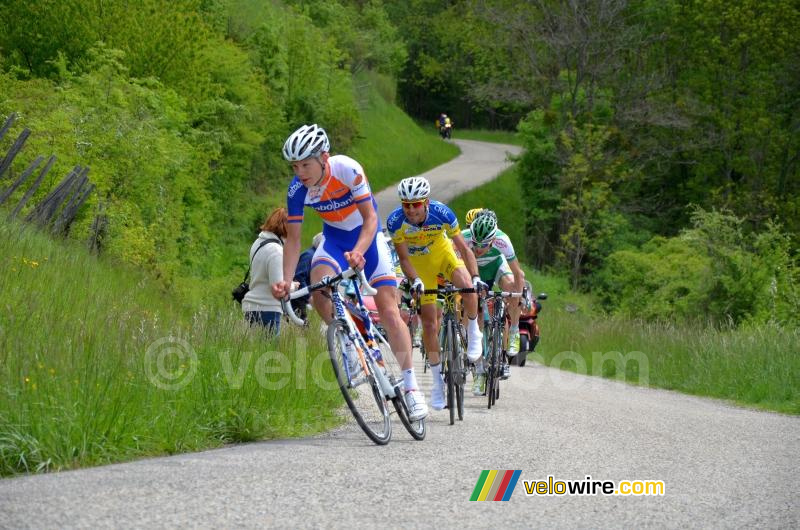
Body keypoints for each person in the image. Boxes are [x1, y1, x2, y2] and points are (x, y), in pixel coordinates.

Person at [271, 124, 428, 421]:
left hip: (368, 239)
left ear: (324, 157)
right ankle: (347, 340)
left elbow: (370, 218)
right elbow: (293, 240)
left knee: (388, 308)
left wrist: (359, 251)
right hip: (334, 241)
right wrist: (286, 280)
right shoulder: (296, 189)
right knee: (318, 289)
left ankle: (411, 387)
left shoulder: (347, 170)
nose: (300, 171)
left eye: (305, 164)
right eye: (294, 166)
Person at [387, 176, 485, 411]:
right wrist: (417, 280)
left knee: (467, 285)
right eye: (406, 205)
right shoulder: (395, 221)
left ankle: (474, 333)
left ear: (426, 202)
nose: (410, 210)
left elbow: (463, 248)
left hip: (443, 256)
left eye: (416, 204)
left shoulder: (442, 213)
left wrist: (476, 276)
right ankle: (438, 384)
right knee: (429, 325)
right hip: (420, 267)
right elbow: (403, 258)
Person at [462, 209, 526, 393]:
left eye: (484, 244)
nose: (479, 248)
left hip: (496, 268)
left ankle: (513, 330)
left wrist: (517, 297)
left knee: (512, 285)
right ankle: (480, 371)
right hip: (472, 271)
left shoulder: (502, 240)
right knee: (476, 317)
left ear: (493, 238)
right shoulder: (463, 237)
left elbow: (517, 273)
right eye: (475, 243)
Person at [242, 207, 289, 336]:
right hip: (267, 308)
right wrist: (293, 286)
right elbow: (278, 289)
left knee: (256, 353)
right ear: (285, 227)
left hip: (250, 307)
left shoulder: (258, 242)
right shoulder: (276, 251)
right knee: (270, 354)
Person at [292, 232, 324, 319]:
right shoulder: (309, 256)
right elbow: (299, 277)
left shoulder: (315, 256)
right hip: (298, 299)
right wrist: (309, 296)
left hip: (302, 298)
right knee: (301, 326)